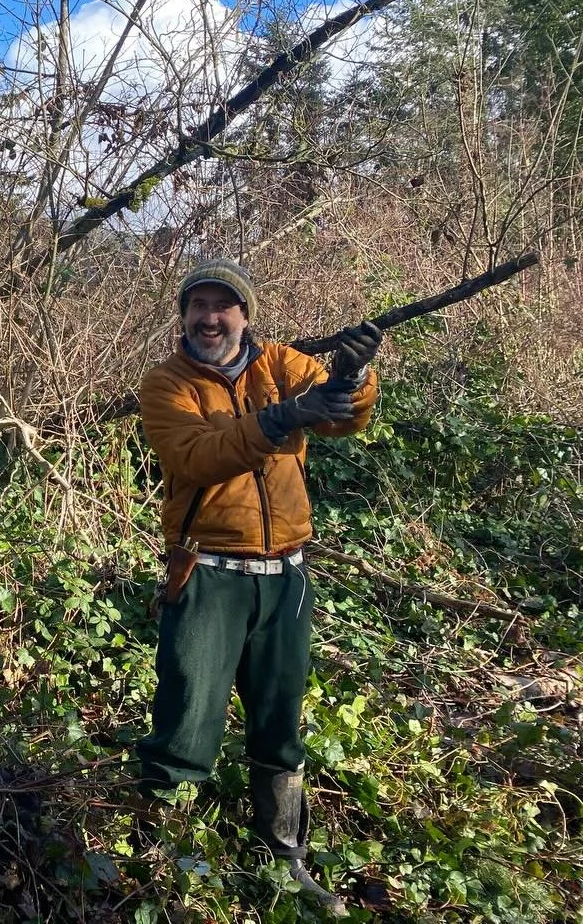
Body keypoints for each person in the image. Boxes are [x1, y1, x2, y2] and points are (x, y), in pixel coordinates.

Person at [135, 259, 382, 916]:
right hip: (207, 572)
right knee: (186, 716)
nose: (209, 318)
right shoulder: (167, 384)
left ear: (246, 315)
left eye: (224, 305)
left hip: (287, 579)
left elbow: (345, 415)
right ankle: (162, 857)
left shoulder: (281, 364)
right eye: (198, 306)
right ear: (184, 316)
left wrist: (352, 376)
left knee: (279, 720)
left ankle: (284, 854)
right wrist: (280, 420)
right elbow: (196, 456)